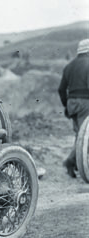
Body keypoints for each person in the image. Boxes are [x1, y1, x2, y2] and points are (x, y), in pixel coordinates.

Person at [58, 38, 89, 178]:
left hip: (72, 103)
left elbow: (61, 89)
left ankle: (76, 162)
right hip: (85, 103)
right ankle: (71, 161)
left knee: (80, 135)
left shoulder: (69, 66)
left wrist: (66, 106)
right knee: (85, 137)